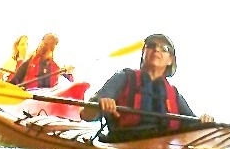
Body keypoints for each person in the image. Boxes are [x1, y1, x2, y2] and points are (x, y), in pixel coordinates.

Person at [79, 33, 213, 134]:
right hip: (124, 145)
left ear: (170, 60)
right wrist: (99, 104)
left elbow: (193, 125)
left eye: (164, 48)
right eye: (151, 46)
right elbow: (86, 115)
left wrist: (205, 121)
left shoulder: (173, 93)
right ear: (143, 53)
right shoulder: (123, 78)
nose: (157, 50)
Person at [9, 33, 73, 89]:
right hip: (31, 97)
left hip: (47, 97)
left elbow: (70, 80)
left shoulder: (55, 67)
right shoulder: (29, 63)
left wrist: (69, 73)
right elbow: (14, 82)